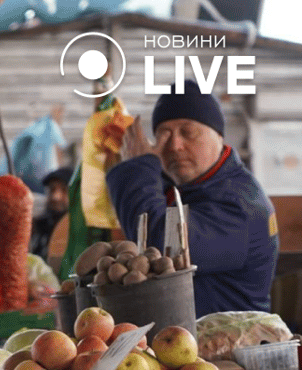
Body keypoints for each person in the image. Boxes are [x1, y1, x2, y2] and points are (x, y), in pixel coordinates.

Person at [106, 80, 278, 316]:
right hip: (186, 342)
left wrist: (137, 169)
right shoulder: (192, 189)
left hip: (231, 345)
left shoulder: (240, 203)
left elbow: (161, 247)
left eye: (188, 132)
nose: (175, 146)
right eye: (164, 135)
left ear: (219, 136)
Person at [30, 166, 71, 262]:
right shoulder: (38, 226)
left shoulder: (80, 231)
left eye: (64, 190)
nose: (55, 197)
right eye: (52, 189)